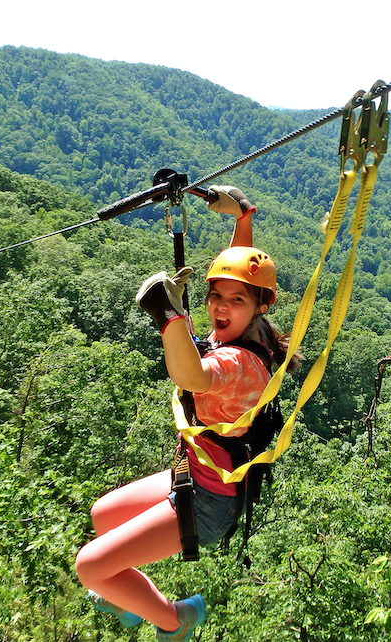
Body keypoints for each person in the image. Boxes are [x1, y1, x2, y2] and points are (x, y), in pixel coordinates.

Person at [75, 185, 300, 641]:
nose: (221, 306)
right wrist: (242, 213)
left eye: (237, 300)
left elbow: (192, 377)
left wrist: (169, 318)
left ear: (260, 306)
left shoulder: (241, 364)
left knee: (90, 567)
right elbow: (242, 269)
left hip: (208, 502)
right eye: (216, 294)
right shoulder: (247, 324)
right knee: (102, 517)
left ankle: (176, 620)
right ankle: (134, 601)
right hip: (191, 475)